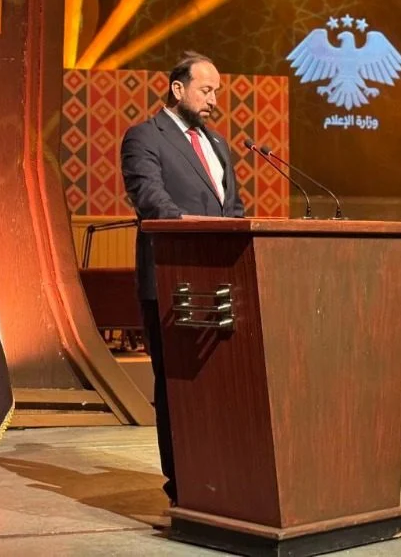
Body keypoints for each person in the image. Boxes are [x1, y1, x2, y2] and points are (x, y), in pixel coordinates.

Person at [120, 51, 245, 505]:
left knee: (221, 384)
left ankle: (221, 476)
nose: (213, 100)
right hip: (172, 280)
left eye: (217, 92)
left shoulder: (219, 145)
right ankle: (183, 485)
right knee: (177, 385)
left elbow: (234, 209)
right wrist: (197, 231)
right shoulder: (144, 137)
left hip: (221, 284)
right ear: (178, 89)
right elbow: (150, 200)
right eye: (206, 90)